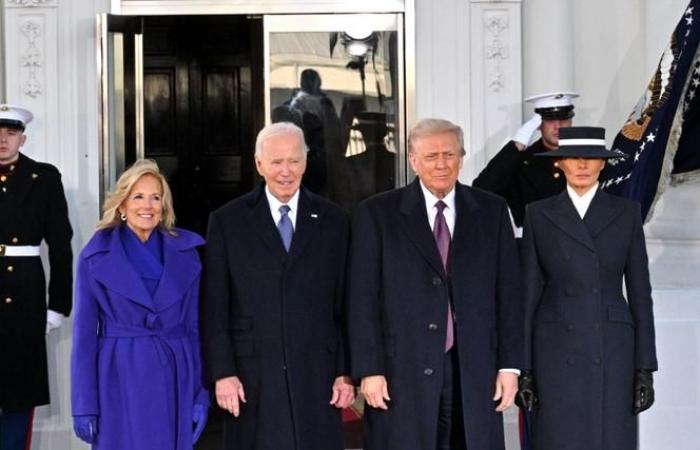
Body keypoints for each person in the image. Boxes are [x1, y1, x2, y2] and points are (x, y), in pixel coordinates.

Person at [347, 118, 522, 450]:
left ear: (462, 156)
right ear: (413, 160)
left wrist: (509, 366)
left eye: (449, 154)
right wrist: (369, 370)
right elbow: (362, 300)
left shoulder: (492, 211)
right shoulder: (376, 215)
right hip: (402, 372)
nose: (442, 164)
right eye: (431, 156)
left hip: (473, 368)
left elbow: (509, 296)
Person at [200, 122, 355, 450]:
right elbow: (214, 307)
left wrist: (345, 372)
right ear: (259, 165)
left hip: (318, 373)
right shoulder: (228, 221)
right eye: (276, 162)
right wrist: (222, 372)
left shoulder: (335, 220)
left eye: (294, 161)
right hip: (251, 374)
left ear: (306, 162)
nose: (286, 171)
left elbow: (347, 304)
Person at [516, 126, 658, 450]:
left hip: (612, 351)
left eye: (591, 158)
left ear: (603, 164)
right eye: (574, 158)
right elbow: (527, 296)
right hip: (553, 351)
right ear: (561, 163)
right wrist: (524, 368)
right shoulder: (538, 214)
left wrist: (644, 368)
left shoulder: (626, 214)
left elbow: (640, 295)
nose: (582, 165)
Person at [70, 159, 209, 449]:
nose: (148, 205)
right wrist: (84, 404)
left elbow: (195, 329)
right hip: (119, 377)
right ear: (122, 205)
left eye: (156, 197)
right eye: (138, 196)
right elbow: (84, 338)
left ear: (164, 205)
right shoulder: (95, 256)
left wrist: (200, 392)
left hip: (175, 373)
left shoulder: (187, 254)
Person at [0, 105, 73, 450]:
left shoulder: (43, 177)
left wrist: (58, 306)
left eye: (11, 133)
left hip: (24, 294)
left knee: (18, 389)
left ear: (23, 138)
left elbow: (60, 246)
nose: (3, 139)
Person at [473, 92, 579, 231]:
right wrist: (518, 143)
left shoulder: (587, 158)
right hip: (534, 245)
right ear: (539, 124)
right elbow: (481, 191)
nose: (557, 126)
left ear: (571, 121)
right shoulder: (520, 161)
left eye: (563, 119)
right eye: (550, 120)